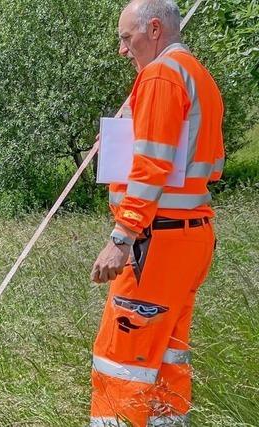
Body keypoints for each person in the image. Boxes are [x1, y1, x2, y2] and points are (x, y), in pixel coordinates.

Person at [89, 0, 225, 425]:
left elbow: (152, 164)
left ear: (153, 29)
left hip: (157, 241)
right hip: (190, 236)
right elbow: (198, 164)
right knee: (167, 354)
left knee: (122, 359)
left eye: (126, 38)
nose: (123, 50)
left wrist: (121, 237)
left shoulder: (162, 75)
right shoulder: (198, 75)